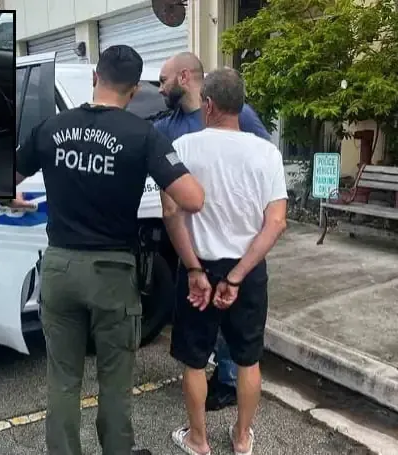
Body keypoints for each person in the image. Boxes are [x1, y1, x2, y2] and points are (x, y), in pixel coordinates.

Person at [15, 44, 206, 455]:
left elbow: (0, 176)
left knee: (62, 380)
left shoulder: (51, 127)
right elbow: (192, 198)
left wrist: (13, 198)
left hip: (60, 268)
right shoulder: (143, 135)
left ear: (94, 78)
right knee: (115, 382)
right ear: (134, 91)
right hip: (113, 274)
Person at [160, 68, 287, 455]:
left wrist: (194, 269)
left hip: (198, 266)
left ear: (209, 105)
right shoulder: (267, 153)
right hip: (247, 270)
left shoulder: (183, 148)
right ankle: (242, 438)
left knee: (195, 360)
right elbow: (276, 222)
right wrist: (236, 277)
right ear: (240, 106)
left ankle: (198, 440)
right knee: (248, 360)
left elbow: (171, 211)